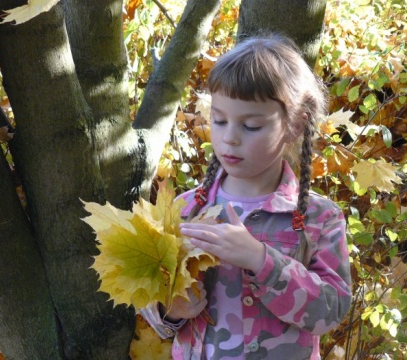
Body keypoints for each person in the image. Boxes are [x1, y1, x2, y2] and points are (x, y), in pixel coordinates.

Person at [141, 34, 352, 360]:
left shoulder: (318, 218)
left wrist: (260, 259)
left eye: (251, 126)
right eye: (219, 120)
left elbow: (331, 311)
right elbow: (152, 305)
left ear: (296, 124)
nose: (230, 138)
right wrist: (170, 308)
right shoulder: (185, 209)